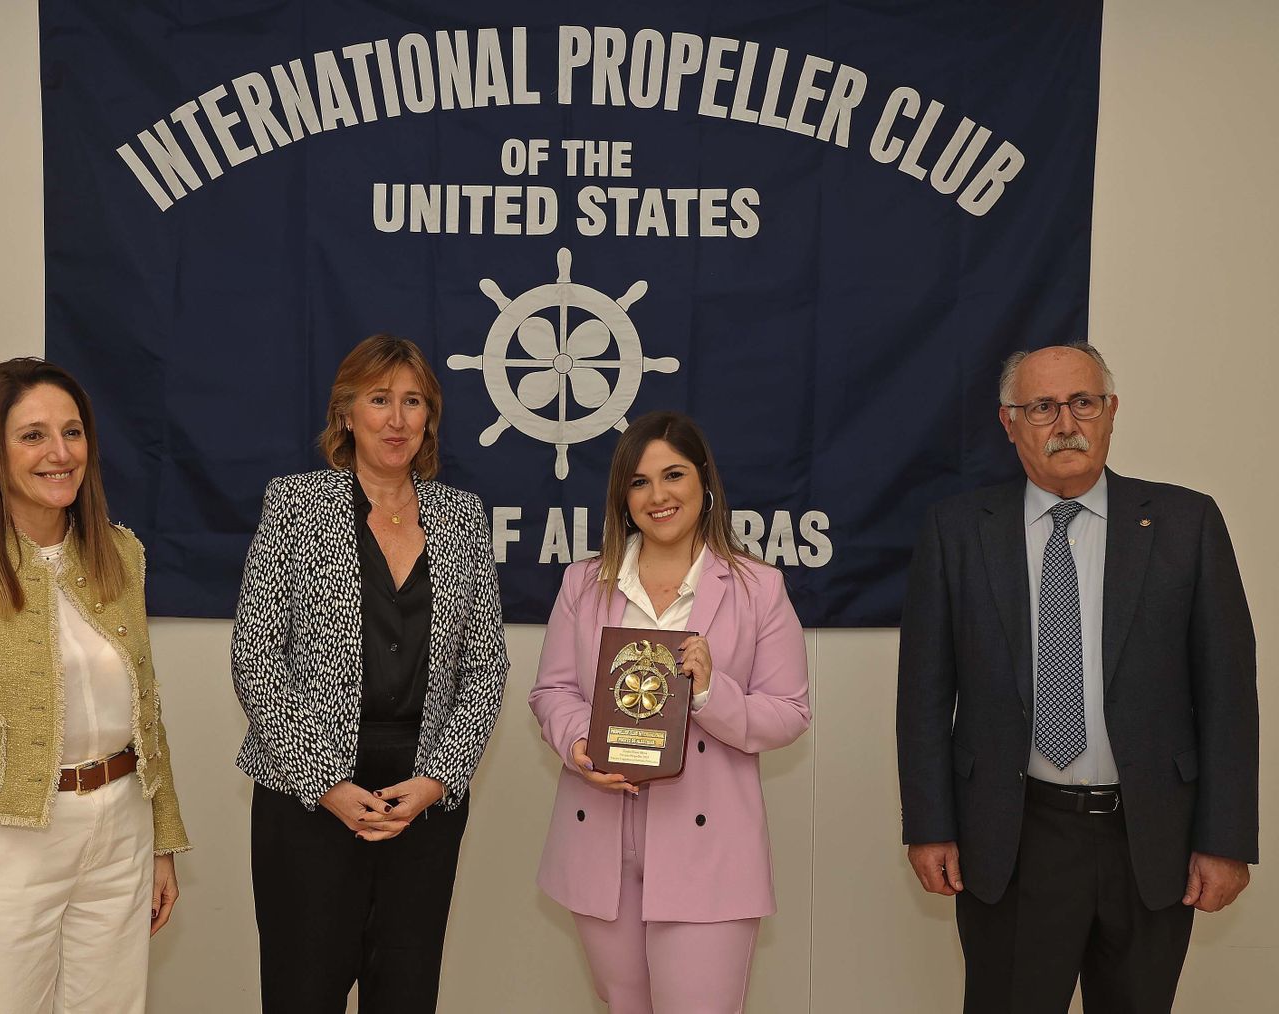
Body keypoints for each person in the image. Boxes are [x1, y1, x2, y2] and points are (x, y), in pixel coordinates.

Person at [896, 342, 1258, 1011]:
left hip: (1151, 840)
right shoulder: (958, 530)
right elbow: (923, 694)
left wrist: (1225, 840)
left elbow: (1228, 696)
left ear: (1111, 411)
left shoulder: (1186, 523)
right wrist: (930, 824)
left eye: (1083, 402)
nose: (1066, 424)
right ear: (1010, 423)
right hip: (1012, 839)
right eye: (1042, 407)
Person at [0, 358, 190, 1012]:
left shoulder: (122, 555)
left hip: (119, 834)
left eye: (72, 433)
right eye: (33, 436)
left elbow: (146, 711)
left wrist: (162, 839)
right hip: (1, 850)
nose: (60, 453)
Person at [231, 333, 509, 1013]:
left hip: (422, 799)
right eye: (380, 399)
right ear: (346, 413)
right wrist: (325, 782)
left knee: (406, 995)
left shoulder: (463, 518)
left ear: (429, 419)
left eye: (413, 402)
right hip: (310, 797)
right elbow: (256, 657)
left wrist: (439, 778)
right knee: (302, 994)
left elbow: (485, 665)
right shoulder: (295, 505)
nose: (397, 419)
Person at [529, 411, 811, 1014]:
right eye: (639, 482)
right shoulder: (584, 582)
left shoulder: (757, 587)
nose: (657, 496)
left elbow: (789, 712)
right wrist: (579, 746)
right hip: (600, 839)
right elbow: (552, 691)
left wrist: (709, 693)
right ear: (622, 496)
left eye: (673, 475)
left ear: (704, 480)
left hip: (709, 847)